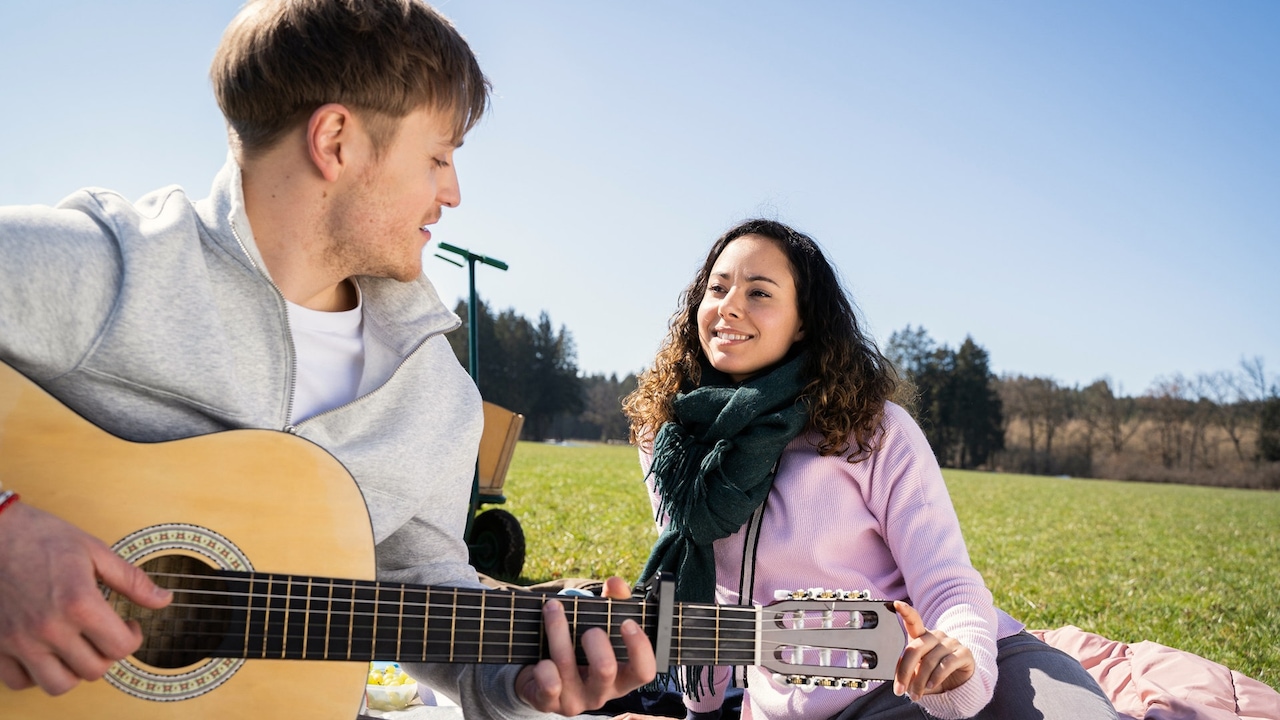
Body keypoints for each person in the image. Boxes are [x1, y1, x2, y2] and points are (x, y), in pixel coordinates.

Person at [0, 1, 654, 717]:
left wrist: (524, 688)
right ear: (336, 140)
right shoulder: (114, 267)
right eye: (438, 157)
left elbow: (432, 603)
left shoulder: (436, 395)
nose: (453, 192)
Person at [620, 219, 1115, 720]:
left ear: (804, 321)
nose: (729, 306)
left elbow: (948, 585)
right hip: (796, 708)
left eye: (759, 293)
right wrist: (700, 712)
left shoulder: (872, 431)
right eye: (718, 288)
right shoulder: (671, 444)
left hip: (953, 674)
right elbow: (704, 605)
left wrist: (961, 663)